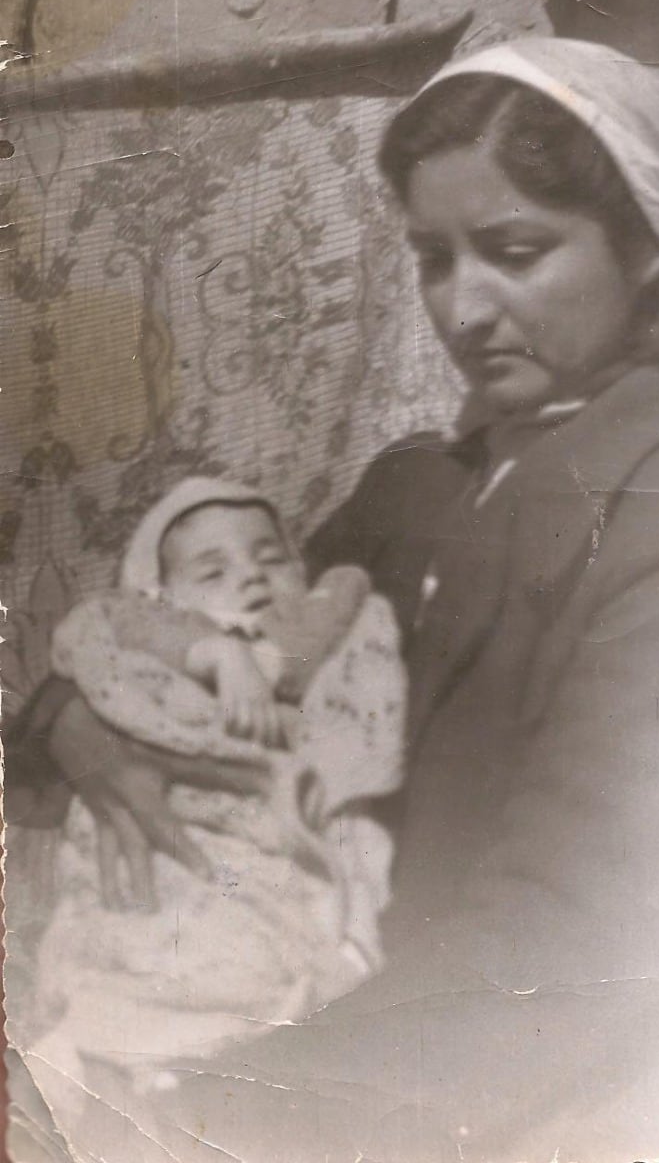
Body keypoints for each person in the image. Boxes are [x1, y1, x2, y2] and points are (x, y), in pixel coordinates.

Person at [7, 38, 659, 1162]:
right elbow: (218, 650)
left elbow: (567, 946)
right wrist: (71, 722)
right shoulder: (415, 487)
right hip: (347, 1051)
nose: (461, 306)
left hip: (559, 1104)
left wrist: (205, 1112)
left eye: (514, 250)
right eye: (433, 257)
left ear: (640, 249)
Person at [9, 477, 406, 1121]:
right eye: (213, 570)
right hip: (148, 876)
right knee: (130, 939)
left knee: (260, 975)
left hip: (262, 891)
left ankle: (156, 1068)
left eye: (270, 559)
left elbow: (347, 818)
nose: (250, 577)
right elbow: (92, 633)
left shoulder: (318, 678)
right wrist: (214, 652)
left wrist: (357, 934)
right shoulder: (138, 650)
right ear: (160, 598)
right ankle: (101, 1054)